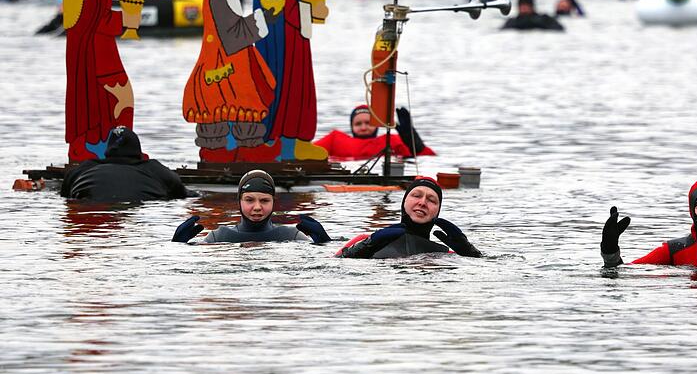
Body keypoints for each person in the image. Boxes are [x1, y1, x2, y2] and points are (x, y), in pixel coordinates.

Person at [182, 0, 278, 163]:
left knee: (246, 103)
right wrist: (262, 19)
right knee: (239, 105)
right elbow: (230, 35)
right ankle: (228, 156)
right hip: (223, 63)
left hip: (230, 59)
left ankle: (242, 152)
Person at [62, 0, 141, 161]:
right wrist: (126, 20)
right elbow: (94, 16)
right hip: (97, 47)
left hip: (84, 45)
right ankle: (113, 152)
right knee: (121, 96)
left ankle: (93, 146)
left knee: (93, 99)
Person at [253, 0, 329, 161]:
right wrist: (310, 8)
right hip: (280, 42)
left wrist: (309, 9)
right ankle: (284, 144)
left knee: (295, 86)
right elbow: (277, 4)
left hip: (291, 38)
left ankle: (292, 141)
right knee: (285, 85)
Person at [335, 177, 481, 259]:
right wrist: (366, 246)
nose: (422, 202)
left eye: (431, 200)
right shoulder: (365, 239)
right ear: (403, 202)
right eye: (416, 196)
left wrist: (469, 253)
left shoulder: (446, 255)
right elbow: (336, 264)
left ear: (438, 211)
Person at [172, 170, 330, 244]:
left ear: (273, 202)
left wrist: (323, 242)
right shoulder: (219, 236)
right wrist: (178, 245)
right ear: (239, 201)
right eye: (249, 200)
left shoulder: (292, 235)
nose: (257, 207)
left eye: (264, 200)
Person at [61, 126, 188, 202]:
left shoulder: (82, 169)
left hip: (90, 208)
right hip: (147, 205)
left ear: (108, 148)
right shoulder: (154, 169)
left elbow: (64, 195)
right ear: (137, 150)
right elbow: (183, 193)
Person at [314, 105, 435, 161]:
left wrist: (412, 139)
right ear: (351, 126)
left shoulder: (391, 140)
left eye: (368, 123)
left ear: (376, 124)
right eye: (358, 124)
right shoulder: (335, 139)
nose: (363, 127)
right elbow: (308, 153)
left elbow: (427, 157)